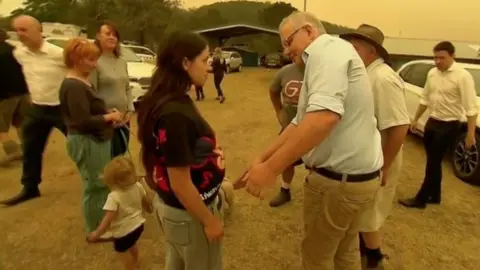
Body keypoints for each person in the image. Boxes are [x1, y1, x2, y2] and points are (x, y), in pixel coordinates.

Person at [239, 12, 383, 270]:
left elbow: (323, 119)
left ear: (309, 31)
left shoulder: (325, 50)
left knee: (317, 258)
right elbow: (299, 122)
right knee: (345, 250)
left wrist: (270, 171)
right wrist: (262, 159)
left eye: (288, 42)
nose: (285, 52)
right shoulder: (327, 58)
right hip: (356, 182)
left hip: (339, 184)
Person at [137, 30, 226, 270]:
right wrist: (209, 221)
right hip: (190, 215)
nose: (208, 68)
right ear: (185, 63)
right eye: (204, 60)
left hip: (178, 210)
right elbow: (180, 182)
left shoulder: (165, 99)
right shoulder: (175, 113)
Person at [341, 24, 410, 269]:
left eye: (354, 47)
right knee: (363, 212)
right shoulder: (366, 73)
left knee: (370, 213)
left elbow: (400, 127)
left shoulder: (382, 78)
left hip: (380, 159)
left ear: (372, 52)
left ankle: (374, 258)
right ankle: (368, 252)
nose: (348, 50)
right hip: (369, 157)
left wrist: (386, 166)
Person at [399, 41, 478, 209]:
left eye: (442, 58)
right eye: (435, 57)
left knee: (433, 162)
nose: (438, 61)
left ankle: (421, 199)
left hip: (449, 124)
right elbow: (425, 98)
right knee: (432, 160)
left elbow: (471, 108)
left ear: (452, 56)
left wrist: (470, 134)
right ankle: (435, 195)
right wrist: (415, 119)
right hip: (432, 121)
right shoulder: (432, 73)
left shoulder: (462, 76)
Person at [59, 38, 124, 238]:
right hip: (87, 142)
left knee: (101, 182)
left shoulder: (82, 81)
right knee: (95, 185)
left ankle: (103, 222)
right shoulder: (73, 85)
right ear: (76, 59)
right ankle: (96, 229)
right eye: (90, 59)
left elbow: (90, 111)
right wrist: (108, 117)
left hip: (96, 140)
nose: (95, 64)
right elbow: (82, 121)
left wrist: (106, 112)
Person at [1, 15, 68, 206]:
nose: (20, 34)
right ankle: (30, 188)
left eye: (25, 29)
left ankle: (98, 183)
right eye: (17, 30)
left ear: (39, 30)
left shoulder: (58, 54)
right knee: (30, 148)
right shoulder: (19, 54)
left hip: (62, 109)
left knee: (81, 146)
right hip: (37, 108)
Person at [87, 156, 153, 270]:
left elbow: (108, 219)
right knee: (132, 244)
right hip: (138, 226)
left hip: (123, 232)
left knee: (122, 251)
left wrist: (97, 234)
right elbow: (146, 201)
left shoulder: (113, 197)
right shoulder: (138, 186)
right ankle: (136, 261)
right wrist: (150, 209)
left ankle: (130, 267)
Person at [91, 21, 134, 158]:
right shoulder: (93, 62)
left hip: (123, 120)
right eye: (108, 34)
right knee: (107, 161)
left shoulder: (122, 61)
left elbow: (127, 87)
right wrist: (107, 114)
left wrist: (130, 109)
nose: (112, 37)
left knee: (120, 157)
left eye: (115, 35)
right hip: (106, 122)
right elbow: (91, 93)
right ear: (98, 36)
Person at [268, 61, 304, 207]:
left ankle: (318, 194)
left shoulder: (320, 70)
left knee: (317, 164)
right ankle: (285, 190)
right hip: (289, 126)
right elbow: (273, 90)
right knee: (286, 160)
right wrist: (279, 110)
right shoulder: (285, 71)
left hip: (314, 127)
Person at [0, 28, 29, 166]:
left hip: (5, 96)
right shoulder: (14, 50)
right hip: (23, 93)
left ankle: (12, 151)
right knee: (20, 124)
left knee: (1, 127)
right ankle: (28, 150)